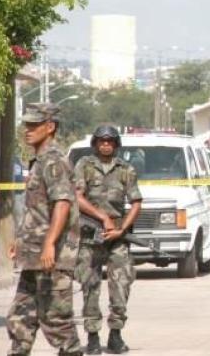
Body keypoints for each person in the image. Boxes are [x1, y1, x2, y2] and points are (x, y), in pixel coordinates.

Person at [6, 103, 82, 356]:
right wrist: (21, 239)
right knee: (20, 318)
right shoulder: (39, 161)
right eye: (26, 125)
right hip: (33, 255)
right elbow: (38, 209)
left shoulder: (54, 161)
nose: (27, 130)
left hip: (52, 257)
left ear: (50, 127)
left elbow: (62, 203)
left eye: (34, 125)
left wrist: (49, 243)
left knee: (57, 321)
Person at [72, 125, 143, 354]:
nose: (106, 144)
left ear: (116, 144)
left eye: (110, 141)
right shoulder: (85, 165)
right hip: (90, 236)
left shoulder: (126, 169)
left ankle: (115, 335)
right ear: (95, 143)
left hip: (117, 238)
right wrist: (102, 218)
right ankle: (92, 336)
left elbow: (136, 202)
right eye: (102, 141)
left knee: (121, 287)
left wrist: (121, 229)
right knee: (89, 286)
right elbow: (77, 197)